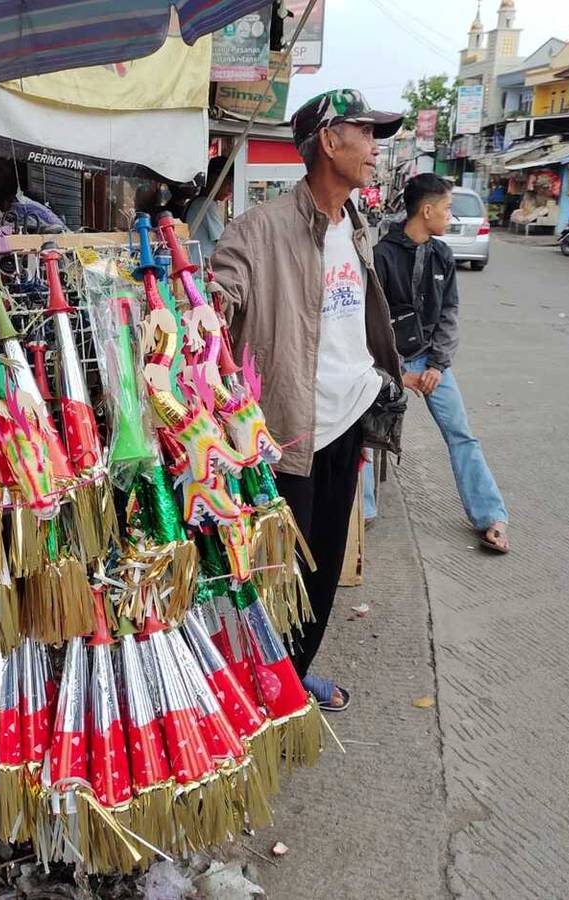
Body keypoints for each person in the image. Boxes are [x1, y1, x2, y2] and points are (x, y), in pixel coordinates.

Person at [212, 89, 404, 712]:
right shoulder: (261, 228)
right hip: (290, 430)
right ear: (329, 139)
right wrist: (197, 309)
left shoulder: (358, 224)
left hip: (348, 419)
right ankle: (259, 686)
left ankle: (291, 680)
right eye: (366, 133)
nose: (376, 147)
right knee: (278, 575)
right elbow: (221, 294)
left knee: (322, 570)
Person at [374, 173, 510, 554]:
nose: (450, 217)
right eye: (448, 208)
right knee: (365, 435)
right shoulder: (382, 256)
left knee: (462, 435)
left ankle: (491, 517)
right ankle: (364, 513)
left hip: (432, 362)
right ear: (427, 209)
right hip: (389, 363)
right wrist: (399, 371)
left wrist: (436, 365)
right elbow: (373, 320)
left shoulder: (442, 255)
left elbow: (449, 313)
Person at [185, 156, 233, 259]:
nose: (230, 190)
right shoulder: (205, 204)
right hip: (200, 269)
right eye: (228, 183)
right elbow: (223, 242)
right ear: (215, 178)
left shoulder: (199, 202)